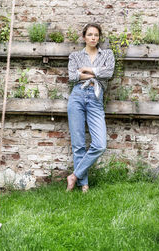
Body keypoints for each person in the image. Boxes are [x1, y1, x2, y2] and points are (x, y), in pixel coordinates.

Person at [66, 23, 115, 193]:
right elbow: (72, 76)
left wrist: (87, 70)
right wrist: (96, 73)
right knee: (78, 144)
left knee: (100, 144)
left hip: (95, 98)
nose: (93, 38)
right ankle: (83, 184)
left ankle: (74, 175)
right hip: (77, 96)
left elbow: (109, 72)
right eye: (90, 35)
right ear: (84, 37)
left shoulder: (107, 54)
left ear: (99, 37)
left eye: (96, 35)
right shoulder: (75, 56)